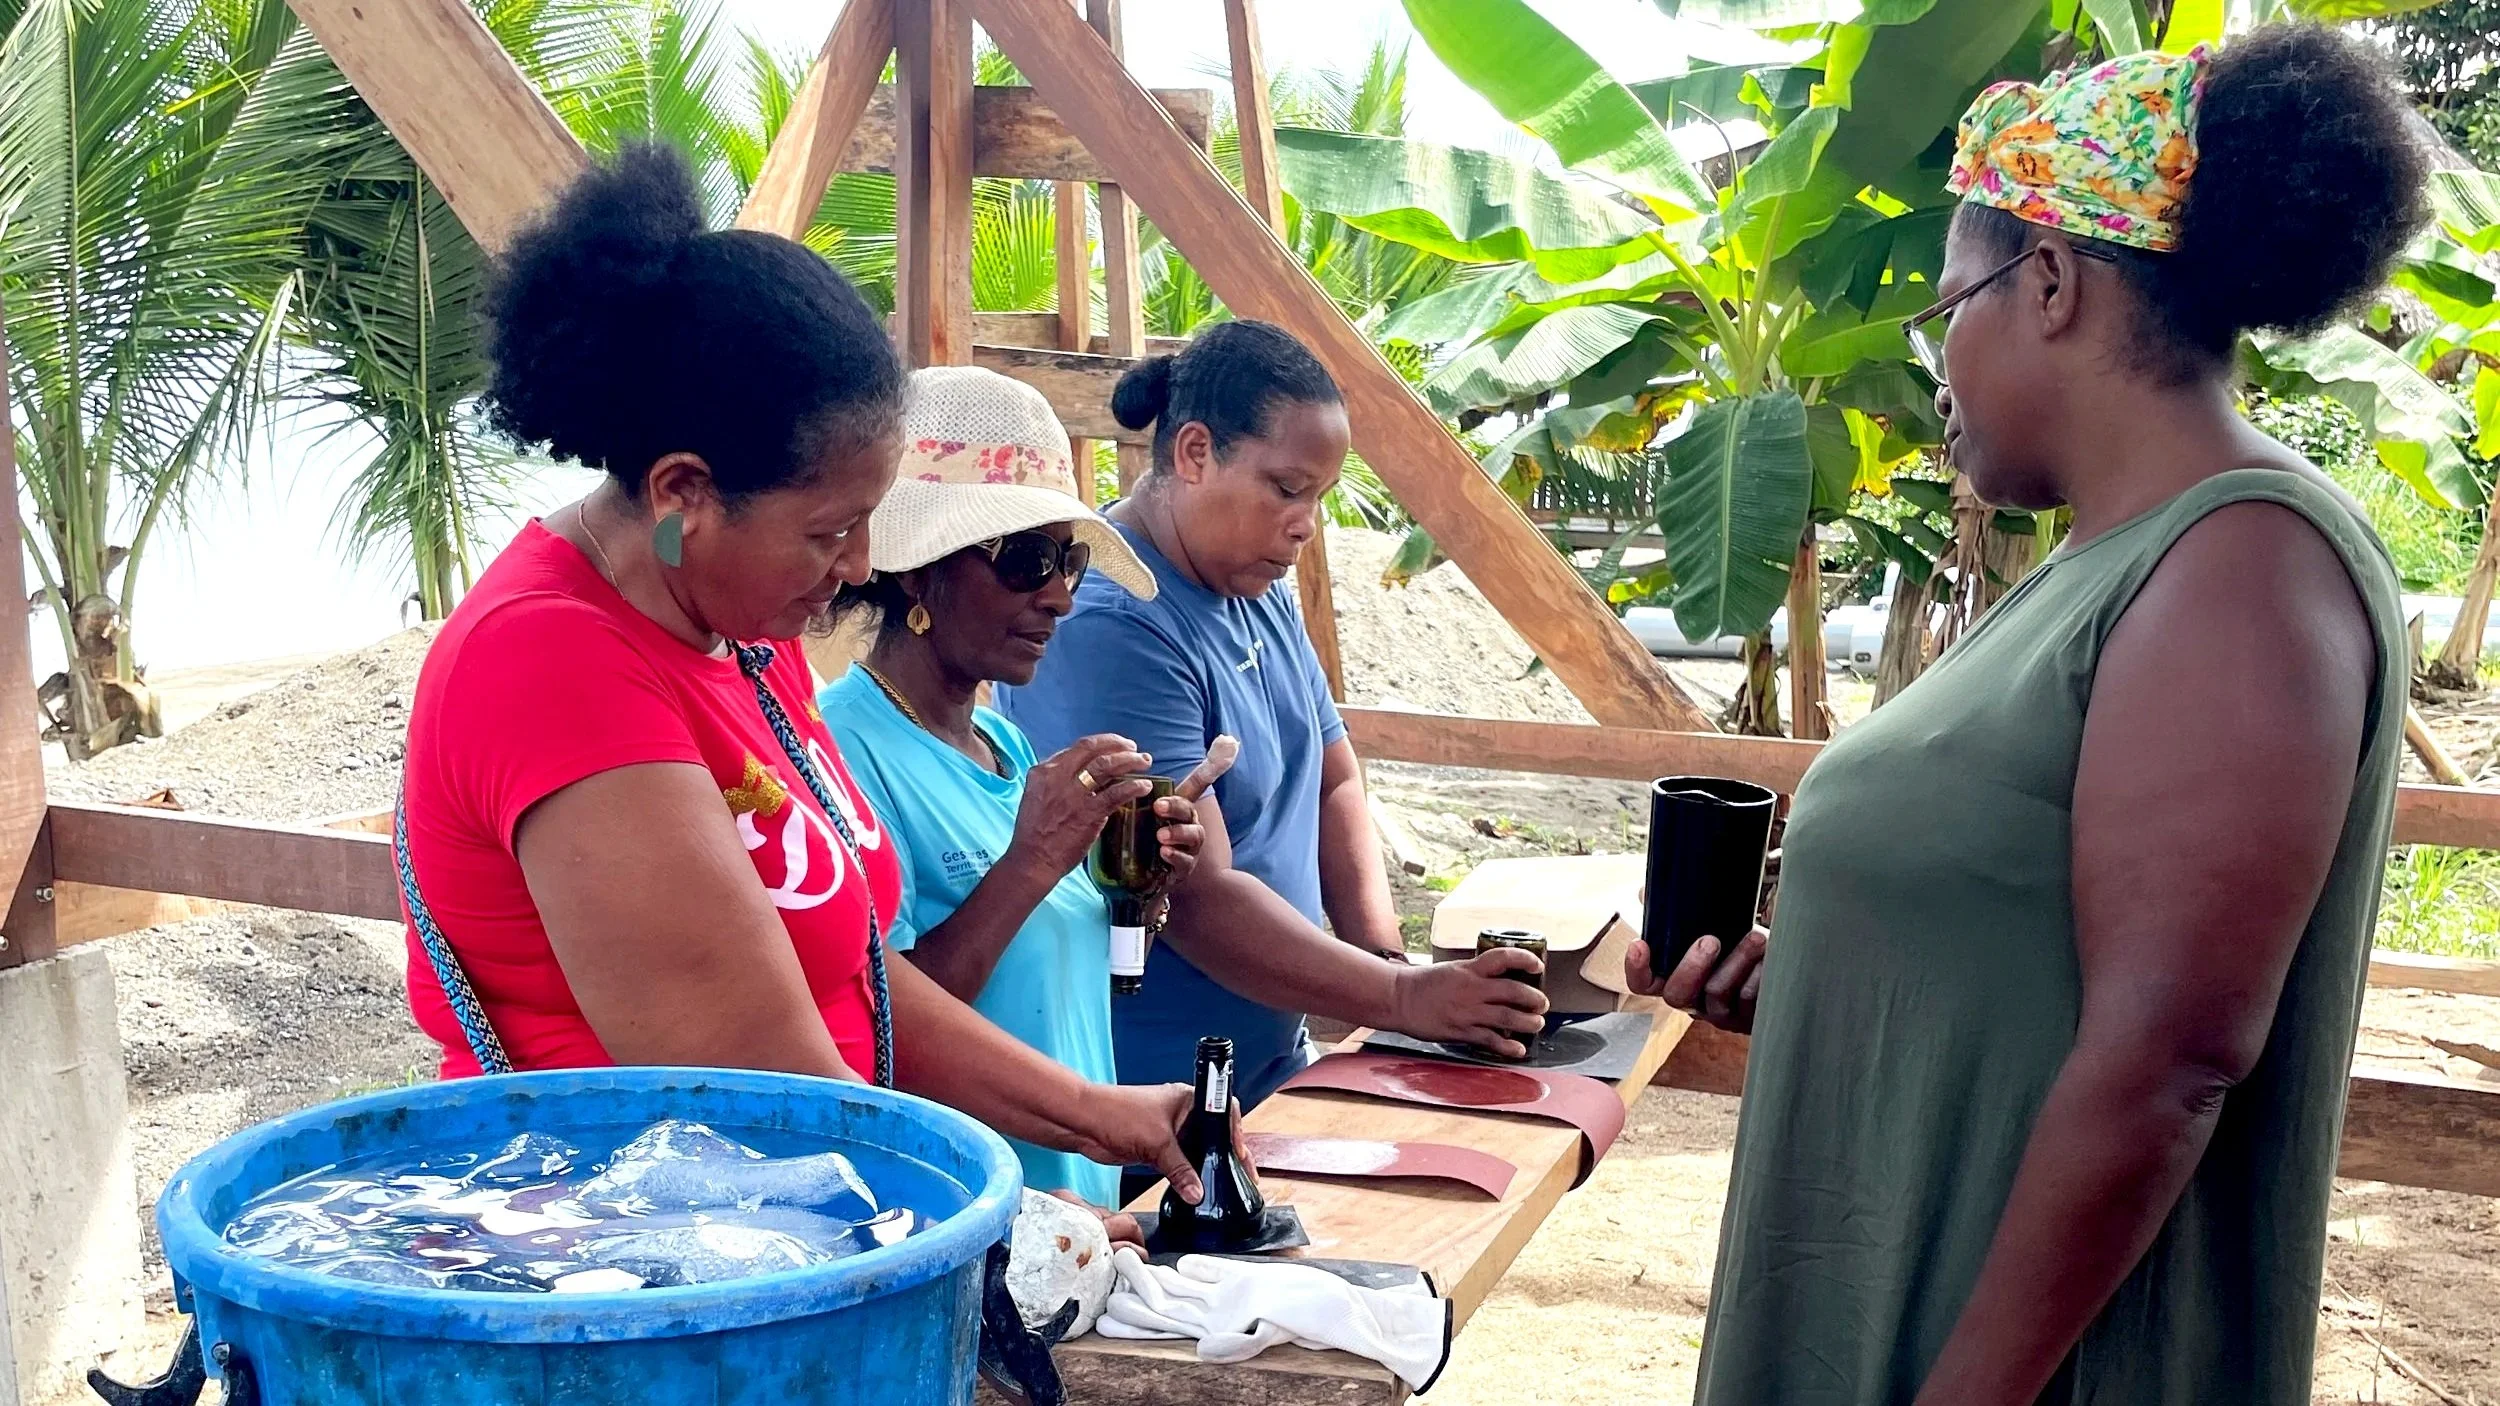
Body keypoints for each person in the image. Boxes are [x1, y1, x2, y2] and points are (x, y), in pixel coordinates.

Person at [1630, 28, 2423, 1405]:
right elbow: (2029, 935)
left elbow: (2169, 1061)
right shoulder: (2098, 561)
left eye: (1950, 309)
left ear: (2048, 280)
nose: (1940, 362)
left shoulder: (2240, 561)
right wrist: (1834, 969)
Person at [396, 144, 1213, 1203]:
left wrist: (1101, 1115)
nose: (862, 567)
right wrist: (996, 1217)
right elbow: (752, 1084)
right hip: (633, 1276)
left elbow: (854, 980)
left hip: (780, 1224)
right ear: (684, 490)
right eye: (830, 528)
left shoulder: (739, 628)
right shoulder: (550, 666)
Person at [998, 320, 1547, 1111]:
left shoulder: (1254, 587)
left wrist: (1388, 968)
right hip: (1151, 1094)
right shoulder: (1115, 624)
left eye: (1318, 497)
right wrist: (1401, 1000)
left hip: (1268, 1064)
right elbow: (1196, 897)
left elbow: (1333, 777)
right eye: (1287, 489)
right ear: (1194, 454)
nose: (1305, 523)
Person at [820, 366, 1217, 1212]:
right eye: (1028, 562)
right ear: (919, 576)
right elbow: (882, 1025)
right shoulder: (846, 754)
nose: (1061, 598)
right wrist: (1031, 859)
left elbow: (1078, 988)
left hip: (1079, 1208)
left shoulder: (1003, 743)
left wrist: (1138, 897)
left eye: (1069, 563)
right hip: (975, 1223)